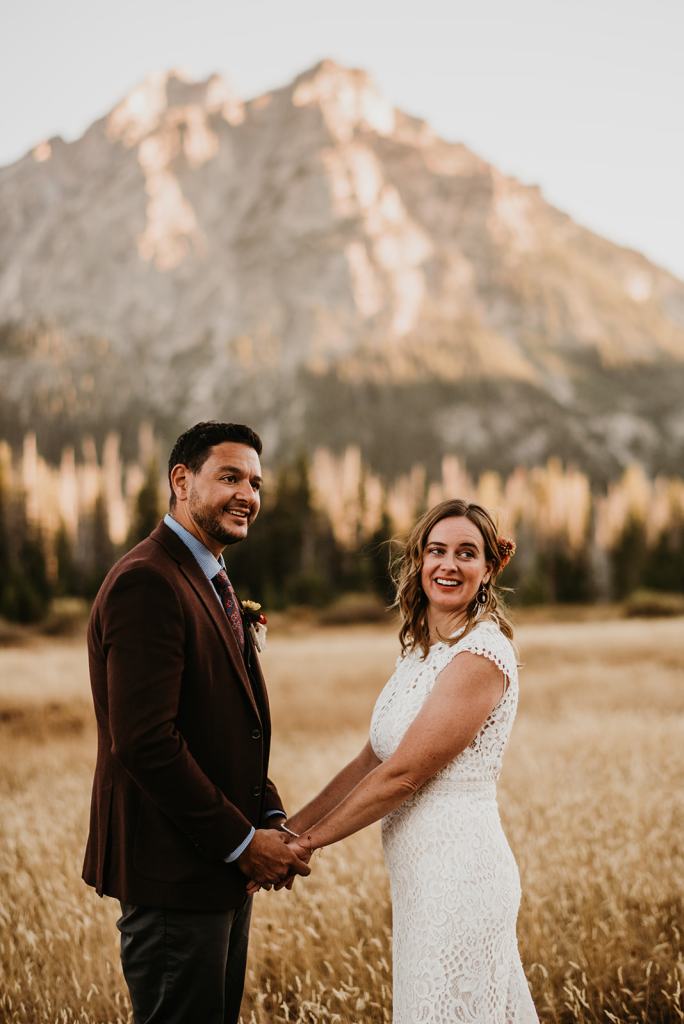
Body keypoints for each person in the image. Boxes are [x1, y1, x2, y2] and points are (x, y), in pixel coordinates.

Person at [274, 499, 538, 1022]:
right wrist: (287, 830)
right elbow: (371, 759)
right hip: (421, 878)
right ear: (418, 561)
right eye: (437, 550)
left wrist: (303, 847)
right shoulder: (420, 651)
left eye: (467, 553)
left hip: (461, 877)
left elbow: (404, 774)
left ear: (488, 569)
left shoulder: (480, 655)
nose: (449, 564)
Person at [82, 421, 311, 1024]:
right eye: (230, 477)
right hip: (172, 878)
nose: (248, 496)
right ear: (181, 481)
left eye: (256, 483)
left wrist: (268, 815)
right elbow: (146, 741)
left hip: (217, 874)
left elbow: (225, 728)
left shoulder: (208, 577)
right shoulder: (147, 582)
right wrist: (242, 843)